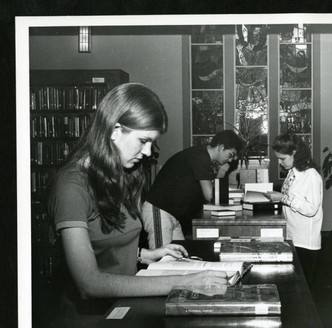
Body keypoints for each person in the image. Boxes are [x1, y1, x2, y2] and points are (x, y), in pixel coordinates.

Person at [48, 83, 228, 311]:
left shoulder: (121, 173)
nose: (148, 152)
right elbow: (89, 284)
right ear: (114, 131)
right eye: (143, 141)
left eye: (152, 143)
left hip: (121, 307)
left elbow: (102, 245)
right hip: (87, 323)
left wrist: (144, 254)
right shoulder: (71, 185)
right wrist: (186, 281)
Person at [142, 130, 243, 248]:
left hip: (172, 214)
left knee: (179, 258)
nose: (230, 160)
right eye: (230, 155)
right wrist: (221, 173)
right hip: (160, 211)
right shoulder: (200, 157)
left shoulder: (202, 156)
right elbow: (210, 195)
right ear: (221, 147)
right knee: (160, 260)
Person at [266, 133, 323, 285]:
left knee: (302, 287)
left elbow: (311, 208)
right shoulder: (293, 172)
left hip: (305, 242)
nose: (279, 162)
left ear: (294, 153)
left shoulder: (310, 175)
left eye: (282, 158)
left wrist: (282, 198)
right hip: (293, 236)